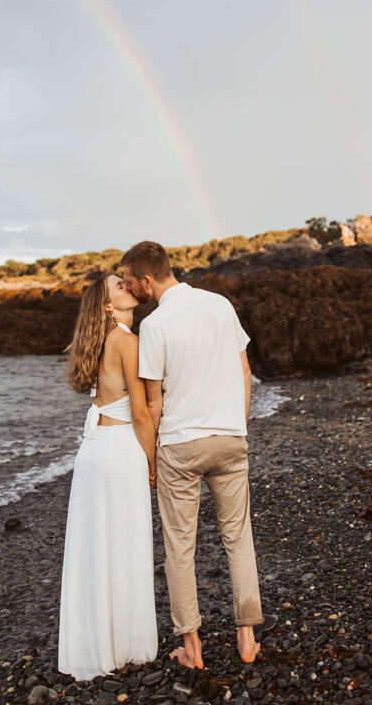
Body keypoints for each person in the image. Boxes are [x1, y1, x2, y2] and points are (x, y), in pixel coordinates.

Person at [121, 241, 263, 670]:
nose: (129, 288)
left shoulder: (155, 325)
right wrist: (237, 425)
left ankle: (193, 647)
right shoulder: (220, 305)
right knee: (238, 537)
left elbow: (153, 402)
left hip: (180, 446)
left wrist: (149, 459)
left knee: (180, 548)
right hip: (229, 438)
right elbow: (244, 371)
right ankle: (247, 637)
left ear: (148, 279)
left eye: (130, 281)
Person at [58, 273, 158, 681]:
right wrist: (151, 462)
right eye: (120, 287)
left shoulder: (99, 341)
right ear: (107, 306)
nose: (128, 289)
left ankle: (94, 646)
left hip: (93, 453)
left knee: (94, 550)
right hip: (119, 452)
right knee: (124, 545)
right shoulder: (128, 342)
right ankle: (126, 645)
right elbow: (140, 413)